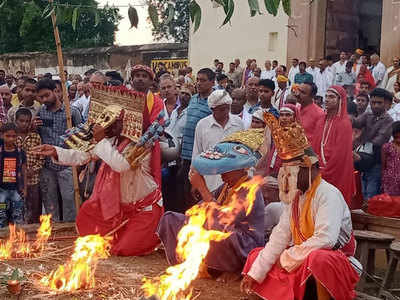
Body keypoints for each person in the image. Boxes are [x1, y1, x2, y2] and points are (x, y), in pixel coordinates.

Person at [241, 116, 359, 300]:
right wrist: (255, 273)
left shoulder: (328, 194)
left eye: (291, 172)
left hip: (337, 260)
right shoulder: (295, 197)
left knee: (319, 259)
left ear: (308, 169)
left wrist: (287, 257)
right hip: (300, 256)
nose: (286, 179)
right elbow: (280, 235)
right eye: (284, 172)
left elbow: (326, 239)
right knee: (257, 256)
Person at [33, 101, 163, 256]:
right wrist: (56, 151)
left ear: (127, 123)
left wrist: (100, 140)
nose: (106, 126)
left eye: (114, 122)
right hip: (121, 209)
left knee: (124, 249)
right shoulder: (110, 141)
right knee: (88, 215)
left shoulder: (143, 145)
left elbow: (120, 165)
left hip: (144, 210)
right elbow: (83, 156)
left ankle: (156, 235)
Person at [158, 128, 266, 283]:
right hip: (222, 232)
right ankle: (188, 261)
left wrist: (203, 189)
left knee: (214, 228)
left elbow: (223, 220)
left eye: (226, 170)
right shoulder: (227, 186)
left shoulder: (250, 189)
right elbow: (202, 210)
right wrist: (196, 205)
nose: (222, 175)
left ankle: (233, 269)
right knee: (171, 218)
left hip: (243, 245)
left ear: (241, 168)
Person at [33, 79, 82, 222]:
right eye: (41, 97)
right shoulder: (40, 112)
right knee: (50, 203)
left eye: (46, 95)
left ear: (55, 91)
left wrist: (78, 166)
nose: (44, 100)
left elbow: (82, 137)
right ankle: (52, 233)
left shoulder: (72, 112)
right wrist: (33, 128)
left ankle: (70, 233)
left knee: (69, 202)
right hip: (47, 166)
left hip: (67, 165)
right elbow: (36, 136)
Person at [192, 90, 244, 193]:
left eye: (227, 108)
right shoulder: (202, 125)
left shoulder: (238, 123)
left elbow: (243, 152)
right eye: (221, 109)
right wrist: (195, 182)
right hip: (210, 182)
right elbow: (196, 155)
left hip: (234, 184)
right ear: (212, 109)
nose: (225, 112)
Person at [312, 86, 355, 208]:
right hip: (317, 170)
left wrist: (324, 172)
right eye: (326, 96)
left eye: (331, 97)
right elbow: (315, 145)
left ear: (340, 100)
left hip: (335, 172)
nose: (326, 100)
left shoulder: (344, 124)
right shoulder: (321, 120)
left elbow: (340, 155)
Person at [179, 68, 215, 212]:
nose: (199, 83)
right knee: (184, 191)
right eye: (197, 80)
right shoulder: (193, 99)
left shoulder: (213, 103)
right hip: (186, 155)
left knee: (198, 193)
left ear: (212, 83)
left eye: (203, 80)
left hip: (201, 156)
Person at [353, 88, 394, 201]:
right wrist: (348, 116)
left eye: (379, 103)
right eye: (373, 102)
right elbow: (356, 123)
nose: (375, 105)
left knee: (371, 194)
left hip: (377, 162)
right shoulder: (368, 115)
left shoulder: (388, 120)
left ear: (385, 103)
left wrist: (359, 141)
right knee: (364, 191)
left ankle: (370, 216)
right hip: (364, 159)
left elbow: (379, 140)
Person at [15, 108, 43, 224]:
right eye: (21, 121)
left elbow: (42, 158)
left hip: (33, 180)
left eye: (27, 121)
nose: (24, 124)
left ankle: (35, 234)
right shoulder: (12, 137)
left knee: (34, 208)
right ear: (16, 121)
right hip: (17, 181)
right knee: (18, 208)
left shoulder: (35, 137)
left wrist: (34, 169)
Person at [0, 123, 26, 227]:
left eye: (14, 136)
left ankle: (19, 239)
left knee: (18, 215)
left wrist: (25, 189)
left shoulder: (20, 153)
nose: (11, 139)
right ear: (2, 135)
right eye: (8, 136)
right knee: (1, 215)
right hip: (1, 190)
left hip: (16, 190)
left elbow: (24, 171)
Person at [381, 121, 400, 196]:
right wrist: (384, 180)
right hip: (390, 182)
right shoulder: (386, 147)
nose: (398, 140)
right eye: (396, 137)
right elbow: (383, 165)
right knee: (391, 203)